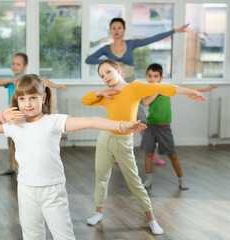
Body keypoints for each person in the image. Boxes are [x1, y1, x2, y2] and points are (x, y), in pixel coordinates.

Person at [0, 74, 146, 240]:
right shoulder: (14, 125)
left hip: (53, 190)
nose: (27, 103)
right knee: (31, 236)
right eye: (22, 99)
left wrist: (123, 125)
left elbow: (91, 121)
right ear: (16, 100)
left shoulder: (54, 121)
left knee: (64, 236)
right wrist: (2, 115)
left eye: (32, 97)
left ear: (43, 98)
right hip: (26, 190)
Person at [81, 59, 206, 235]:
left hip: (124, 142)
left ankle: (151, 219)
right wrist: (100, 91)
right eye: (102, 76)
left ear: (118, 70)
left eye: (108, 72)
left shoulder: (135, 87)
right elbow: (85, 100)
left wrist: (186, 91)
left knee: (135, 182)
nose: (105, 77)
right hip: (105, 138)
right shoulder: (106, 94)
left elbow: (160, 88)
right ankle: (98, 212)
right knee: (101, 177)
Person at [85, 18, 189, 165]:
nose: (116, 31)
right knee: (118, 121)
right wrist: (109, 62)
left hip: (131, 86)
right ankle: (117, 153)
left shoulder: (131, 44)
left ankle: (151, 152)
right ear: (111, 30)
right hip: (117, 89)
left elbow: (151, 39)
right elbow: (89, 59)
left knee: (141, 120)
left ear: (123, 29)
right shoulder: (107, 49)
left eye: (119, 28)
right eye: (113, 28)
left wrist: (174, 31)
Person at [141, 63, 217, 190]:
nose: (152, 79)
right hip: (151, 127)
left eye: (155, 76)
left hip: (164, 128)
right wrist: (156, 90)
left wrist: (204, 90)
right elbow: (145, 102)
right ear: (146, 77)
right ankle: (148, 179)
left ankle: (181, 180)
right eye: (150, 76)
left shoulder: (166, 89)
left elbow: (186, 87)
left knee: (173, 155)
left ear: (161, 78)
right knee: (148, 153)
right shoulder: (147, 90)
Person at [0, 52, 67, 175]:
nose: (15, 66)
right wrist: (12, 80)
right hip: (14, 114)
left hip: (27, 115)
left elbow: (43, 80)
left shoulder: (27, 79)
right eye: (13, 63)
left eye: (18, 64)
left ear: (25, 66)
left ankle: (25, 166)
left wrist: (55, 85)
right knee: (11, 141)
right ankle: (13, 166)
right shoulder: (11, 81)